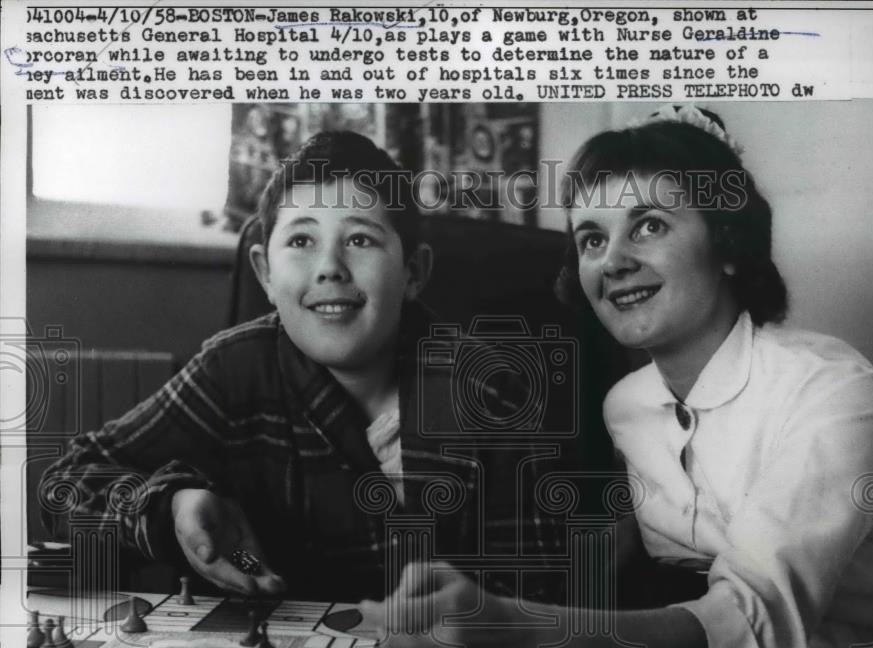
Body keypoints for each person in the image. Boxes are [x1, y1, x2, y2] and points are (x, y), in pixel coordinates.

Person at [362, 106, 873, 648]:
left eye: (647, 225)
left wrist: (522, 633)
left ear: (727, 245)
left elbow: (750, 616)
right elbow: (639, 545)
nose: (612, 261)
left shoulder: (837, 392)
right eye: (591, 239)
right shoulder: (624, 407)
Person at [40, 131, 566, 602]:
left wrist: (453, 556)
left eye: (360, 239)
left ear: (413, 272)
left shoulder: (489, 390)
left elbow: (538, 590)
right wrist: (170, 509)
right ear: (264, 273)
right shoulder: (236, 369)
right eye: (300, 240)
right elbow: (65, 483)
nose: (330, 268)